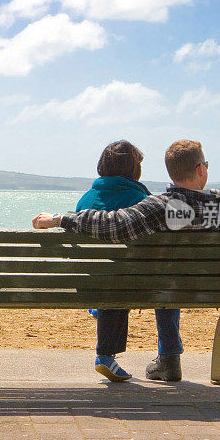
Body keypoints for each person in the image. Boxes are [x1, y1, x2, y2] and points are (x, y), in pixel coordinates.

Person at [33, 139, 220, 382]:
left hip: (162, 290)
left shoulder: (159, 207)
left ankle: (168, 359)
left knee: (165, 278)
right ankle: (169, 357)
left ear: (172, 172)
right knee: (168, 277)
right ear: (201, 169)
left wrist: (60, 219)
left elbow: (113, 224)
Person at [76, 140, 151, 382]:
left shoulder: (85, 200)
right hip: (125, 280)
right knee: (119, 279)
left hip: (87, 281)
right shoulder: (139, 198)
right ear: (134, 170)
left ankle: (99, 310)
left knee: (110, 276)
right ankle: (105, 355)